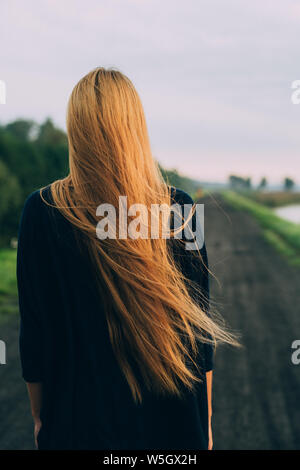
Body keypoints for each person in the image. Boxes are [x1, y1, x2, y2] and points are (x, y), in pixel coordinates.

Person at [17, 67, 237, 450]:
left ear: (77, 132)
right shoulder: (179, 210)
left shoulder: (42, 211)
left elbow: (35, 337)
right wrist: (205, 425)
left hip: (77, 431)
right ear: (135, 128)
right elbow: (200, 340)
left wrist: (40, 418)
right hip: (175, 433)